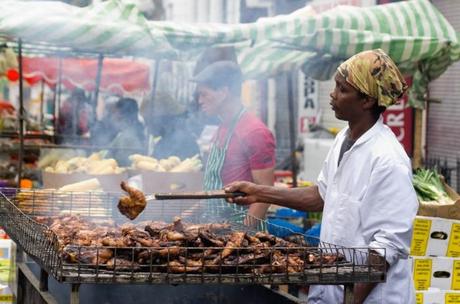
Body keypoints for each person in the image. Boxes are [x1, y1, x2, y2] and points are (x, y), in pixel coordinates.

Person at [225, 49, 418, 303]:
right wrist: (258, 192)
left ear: (367, 101)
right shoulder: (343, 139)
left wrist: (351, 301)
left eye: (342, 89)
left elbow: (386, 249)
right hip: (332, 291)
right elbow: (319, 196)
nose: (332, 93)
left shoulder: (387, 159)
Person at [192, 60, 276, 221]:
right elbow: (214, 189)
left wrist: (241, 236)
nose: (199, 100)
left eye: (204, 94)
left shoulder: (255, 132)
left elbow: (265, 196)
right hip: (215, 226)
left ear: (223, 92)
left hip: (239, 230)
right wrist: (183, 217)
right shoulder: (222, 127)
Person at [108, 97, 146, 166]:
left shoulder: (127, 137)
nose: (112, 116)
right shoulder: (126, 133)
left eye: (114, 112)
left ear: (121, 115)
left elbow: (125, 163)